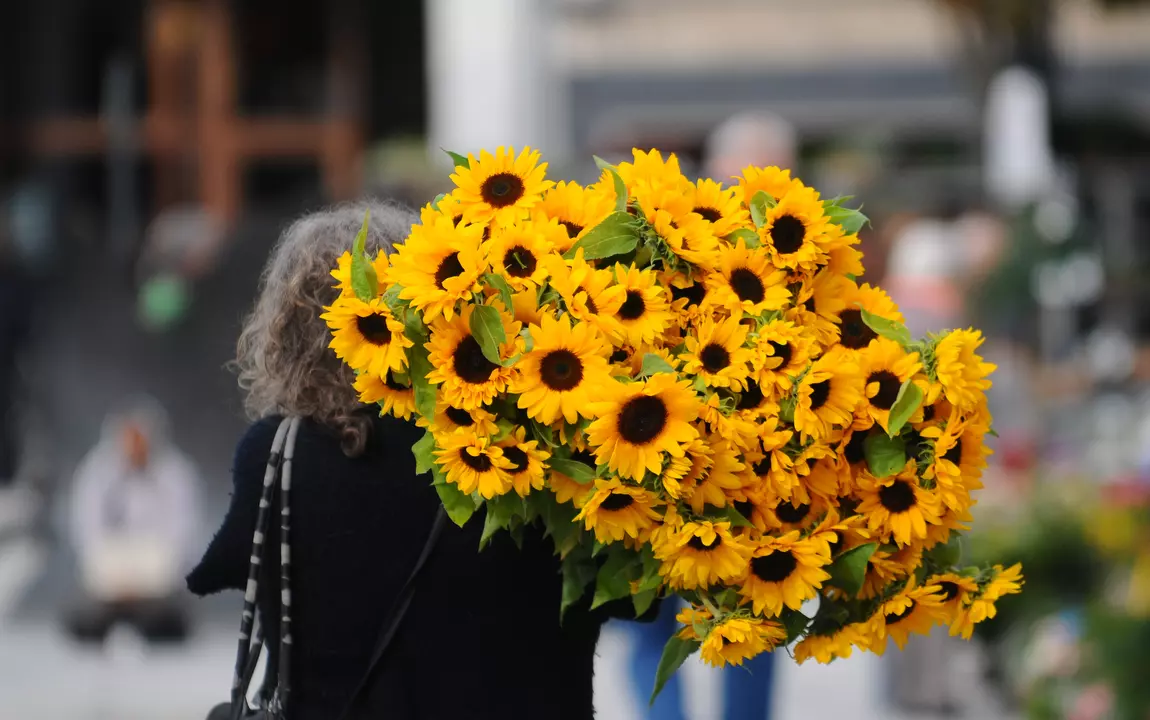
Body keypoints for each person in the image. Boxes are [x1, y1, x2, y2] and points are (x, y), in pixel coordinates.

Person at [187, 201, 644, 720]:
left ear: (286, 331)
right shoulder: (527, 443)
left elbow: (217, 572)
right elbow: (625, 597)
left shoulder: (276, 455)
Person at [66, 396, 202, 644]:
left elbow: (184, 533)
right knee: (84, 622)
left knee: (168, 624)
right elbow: (85, 528)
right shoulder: (97, 472)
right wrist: (114, 573)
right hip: (108, 584)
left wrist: (150, 574)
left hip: (159, 586)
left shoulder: (176, 473)